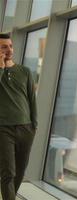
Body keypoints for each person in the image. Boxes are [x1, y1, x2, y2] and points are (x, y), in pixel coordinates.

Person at [0, 33, 37, 200]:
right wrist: (1, 68)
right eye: (3, 47)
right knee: (8, 171)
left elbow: (32, 99)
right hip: (3, 128)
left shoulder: (25, 71)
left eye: (10, 46)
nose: (9, 50)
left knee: (20, 170)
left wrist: (34, 125)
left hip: (26, 128)